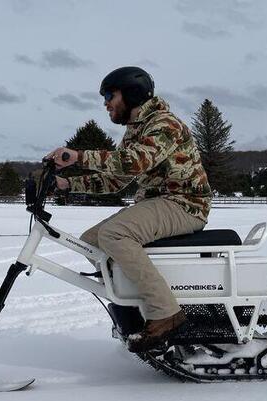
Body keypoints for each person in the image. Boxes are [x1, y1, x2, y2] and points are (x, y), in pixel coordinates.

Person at [46, 66, 212, 352]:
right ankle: (130, 307)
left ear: (132, 93)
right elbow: (114, 180)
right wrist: (64, 184)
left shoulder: (164, 124)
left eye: (110, 95)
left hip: (185, 204)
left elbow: (133, 162)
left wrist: (78, 155)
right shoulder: (137, 129)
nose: (106, 103)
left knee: (114, 234)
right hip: (158, 203)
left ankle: (165, 313)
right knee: (91, 240)